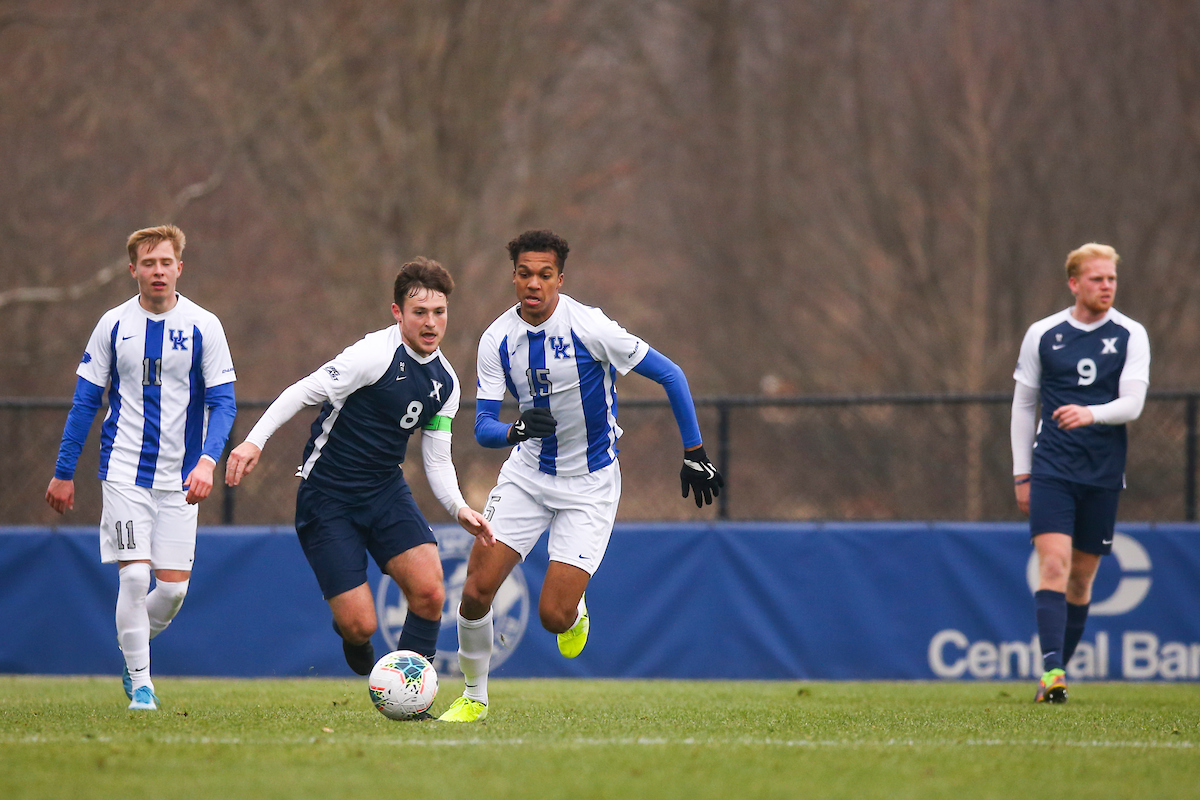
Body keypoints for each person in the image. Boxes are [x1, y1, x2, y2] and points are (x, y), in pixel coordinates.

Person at [438, 229, 723, 723]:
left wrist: (694, 449)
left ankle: (575, 607)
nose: (534, 284)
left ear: (559, 279)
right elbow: (483, 428)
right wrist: (515, 431)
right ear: (514, 278)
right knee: (474, 591)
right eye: (525, 274)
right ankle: (473, 696)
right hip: (526, 477)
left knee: (553, 616)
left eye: (544, 275)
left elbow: (671, 374)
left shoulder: (590, 327)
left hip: (590, 484)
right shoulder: (497, 339)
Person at [224, 258, 493, 711]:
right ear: (397, 312)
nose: (431, 322)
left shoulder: (445, 381)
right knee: (361, 626)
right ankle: (354, 640)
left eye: (439, 312)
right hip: (327, 496)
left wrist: (458, 506)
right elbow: (303, 391)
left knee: (430, 592)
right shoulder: (371, 355)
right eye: (419, 312)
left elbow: (436, 456)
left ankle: (412, 698)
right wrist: (253, 442)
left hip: (385, 490)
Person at [46, 225, 238, 711]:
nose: (158, 271)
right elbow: (85, 402)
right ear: (133, 269)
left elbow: (224, 402)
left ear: (180, 267)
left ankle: (130, 642)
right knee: (133, 580)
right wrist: (63, 471)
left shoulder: (203, 325)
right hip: (125, 472)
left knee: (171, 593)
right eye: (148, 263)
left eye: (165, 262)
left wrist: (208, 462)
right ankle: (142, 685)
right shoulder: (113, 324)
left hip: (180, 480)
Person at [1011, 242, 1150, 704]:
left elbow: (1133, 403)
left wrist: (1091, 414)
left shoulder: (1131, 334)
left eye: (1111, 278)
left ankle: (1055, 670)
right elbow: (1024, 404)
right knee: (1053, 565)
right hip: (1051, 467)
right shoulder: (1043, 334)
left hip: (1103, 472)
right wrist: (1021, 473)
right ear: (1074, 283)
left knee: (1082, 580)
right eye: (1097, 279)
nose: (1106, 286)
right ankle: (1053, 674)